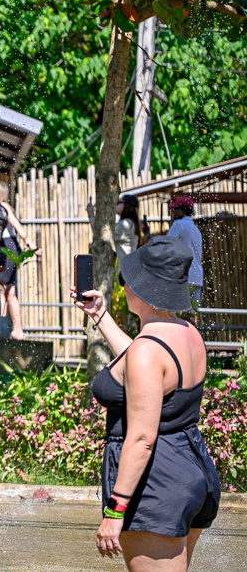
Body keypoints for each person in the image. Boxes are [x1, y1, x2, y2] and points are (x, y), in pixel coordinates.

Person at [72, 236, 220, 571]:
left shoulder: (147, 351)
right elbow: (142, 365)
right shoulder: (186, 332)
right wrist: (100, 315)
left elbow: (141, 440)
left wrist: (115, 511)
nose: (124, 287)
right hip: (191, 469)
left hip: (156, 483)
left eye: (127, 280)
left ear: (142, 288)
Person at [0, 176, 37, 340]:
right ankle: (16, 329)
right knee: (9, 291)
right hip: (5, 251)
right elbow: (16, 227)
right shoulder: (2, 208)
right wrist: (30, 244)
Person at [166, 196, 204, 311]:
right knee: (192, 313)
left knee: (177, 313)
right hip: (197, 276)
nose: (173, 212)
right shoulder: (195, 228)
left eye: (175, 209)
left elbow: (166, 246)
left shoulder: (179, 224)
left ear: (183, 210)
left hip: (183, 276)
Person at [114, 195, 141, 285]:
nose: (116, 205)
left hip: (124, 272)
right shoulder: (131, 222)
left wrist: (91, 215)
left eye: (119, 202)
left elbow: (103, 234)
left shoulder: (125, 224)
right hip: (130, 269)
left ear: (127, 205)